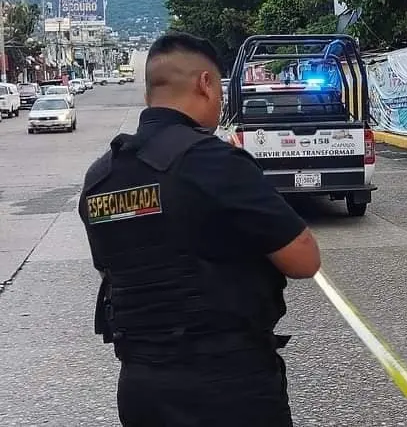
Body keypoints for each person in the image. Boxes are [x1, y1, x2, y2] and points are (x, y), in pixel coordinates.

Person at [78, 32, 321, 426]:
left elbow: (112, 268)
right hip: (227, 385)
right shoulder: (214, 161)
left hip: (142, 390)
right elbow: (304, 259)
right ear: (205, 84)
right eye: (221, 91)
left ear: (149, 94)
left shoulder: (101, 177)